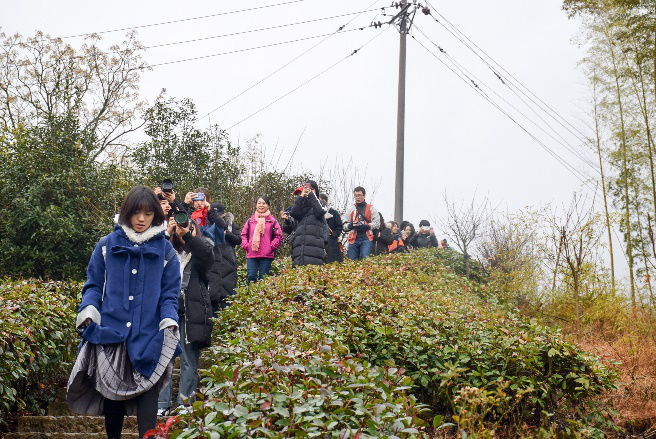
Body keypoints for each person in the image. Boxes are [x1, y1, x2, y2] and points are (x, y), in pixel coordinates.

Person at [67, 185, 181, 439]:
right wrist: (89, 311)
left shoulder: (166, 251)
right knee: (112, 396)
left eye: (148, 214)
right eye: (136, 213)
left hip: (150, 334)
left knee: (149, 393)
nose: (141, 219)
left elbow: (169, 295)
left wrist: (169, 321)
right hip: (111, 332)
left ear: (156, 215)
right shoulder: (106, 245)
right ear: (126, 212)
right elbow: (93, 286)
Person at [158, 217, 214, 416]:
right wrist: (167, 233)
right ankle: (161, 404)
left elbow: (207, 255)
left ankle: (185, 403)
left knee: (189, 359)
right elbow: (150, 257)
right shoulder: (166, 250)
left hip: (191, 312)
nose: (183, 231)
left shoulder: (200, 252)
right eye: (180, 227)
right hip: (167, 310)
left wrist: (188, 235)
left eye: (189, 228)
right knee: (164, 359)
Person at [206, 202, 240, 309]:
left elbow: (238, 240)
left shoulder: (230, 224)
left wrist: (227, 234)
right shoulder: (207, 224)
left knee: (228, 296)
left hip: (228, 262)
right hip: (213, 261)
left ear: (224, 213)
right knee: (212, 296)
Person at [241, 196, 283, 282]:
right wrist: (246, 245)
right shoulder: (250, 221)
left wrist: (270, 247)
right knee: (251, 277)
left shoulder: (272, 221)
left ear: (268, 206)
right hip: (252, 253)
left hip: (266, 255)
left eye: (264, 203)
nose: (261, 205)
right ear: (256, 205)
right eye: (259, 203)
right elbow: (243, 235)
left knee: (263, 279)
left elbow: (279, 236)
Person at [290, 180, 329, 266]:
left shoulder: (321, 203)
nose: (308, 190)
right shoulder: (302, 204)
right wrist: (301, 197)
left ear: (316, 191)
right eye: (306, 188)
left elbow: (320, 212)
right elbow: (293, 213)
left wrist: (311, 195)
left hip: (315, 245)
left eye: (311, 189)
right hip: (300, 245)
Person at [343, 186, 380, 260]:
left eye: (359, 195)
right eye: (356, 196)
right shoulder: (351, 209)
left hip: (367, 238)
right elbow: (343, 225)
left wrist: (367, 226)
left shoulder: (371, 208)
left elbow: (377, 223)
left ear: (364, 195)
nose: (357, 198)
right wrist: (350, 225)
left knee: (365, 258)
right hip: (353, 238)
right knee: (351, 260)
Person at [319, 193, 344, 264]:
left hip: (332, 242)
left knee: (333, 262)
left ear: (326, 201)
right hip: (320, 242)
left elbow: (339, 226)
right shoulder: (316, 213)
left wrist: (333, 235)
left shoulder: (334, 213)